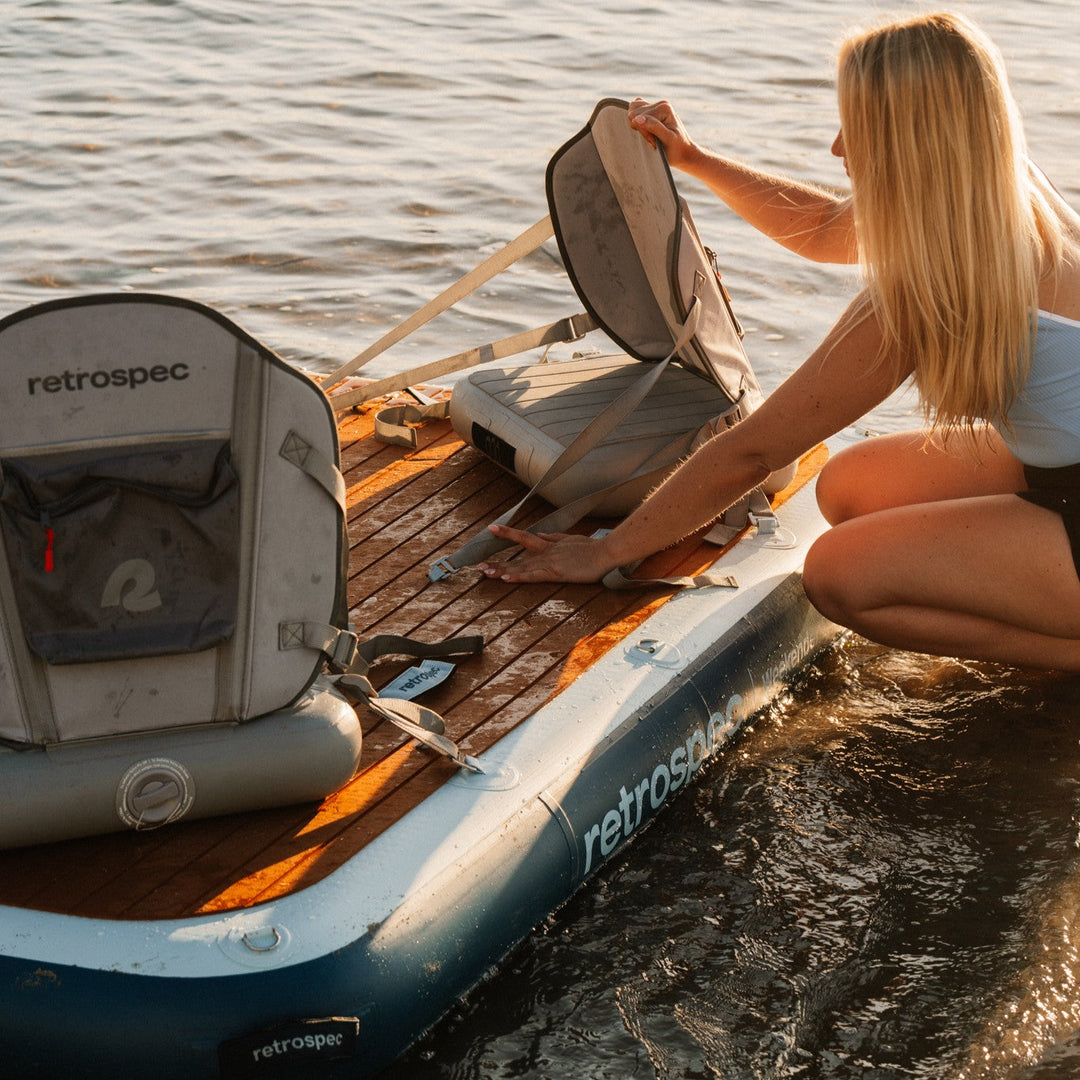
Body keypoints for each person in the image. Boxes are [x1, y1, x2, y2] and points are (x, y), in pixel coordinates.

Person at [477, 11, 1080, 671]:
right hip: (1060, 471)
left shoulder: (921, 292)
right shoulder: (1000, 194)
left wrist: (605, 552)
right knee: (847, 487)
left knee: (838, 575)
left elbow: (755, 449)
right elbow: (823, 227)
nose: (837, 148)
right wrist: (694, 161)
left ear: (913, 143)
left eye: (858, 127)